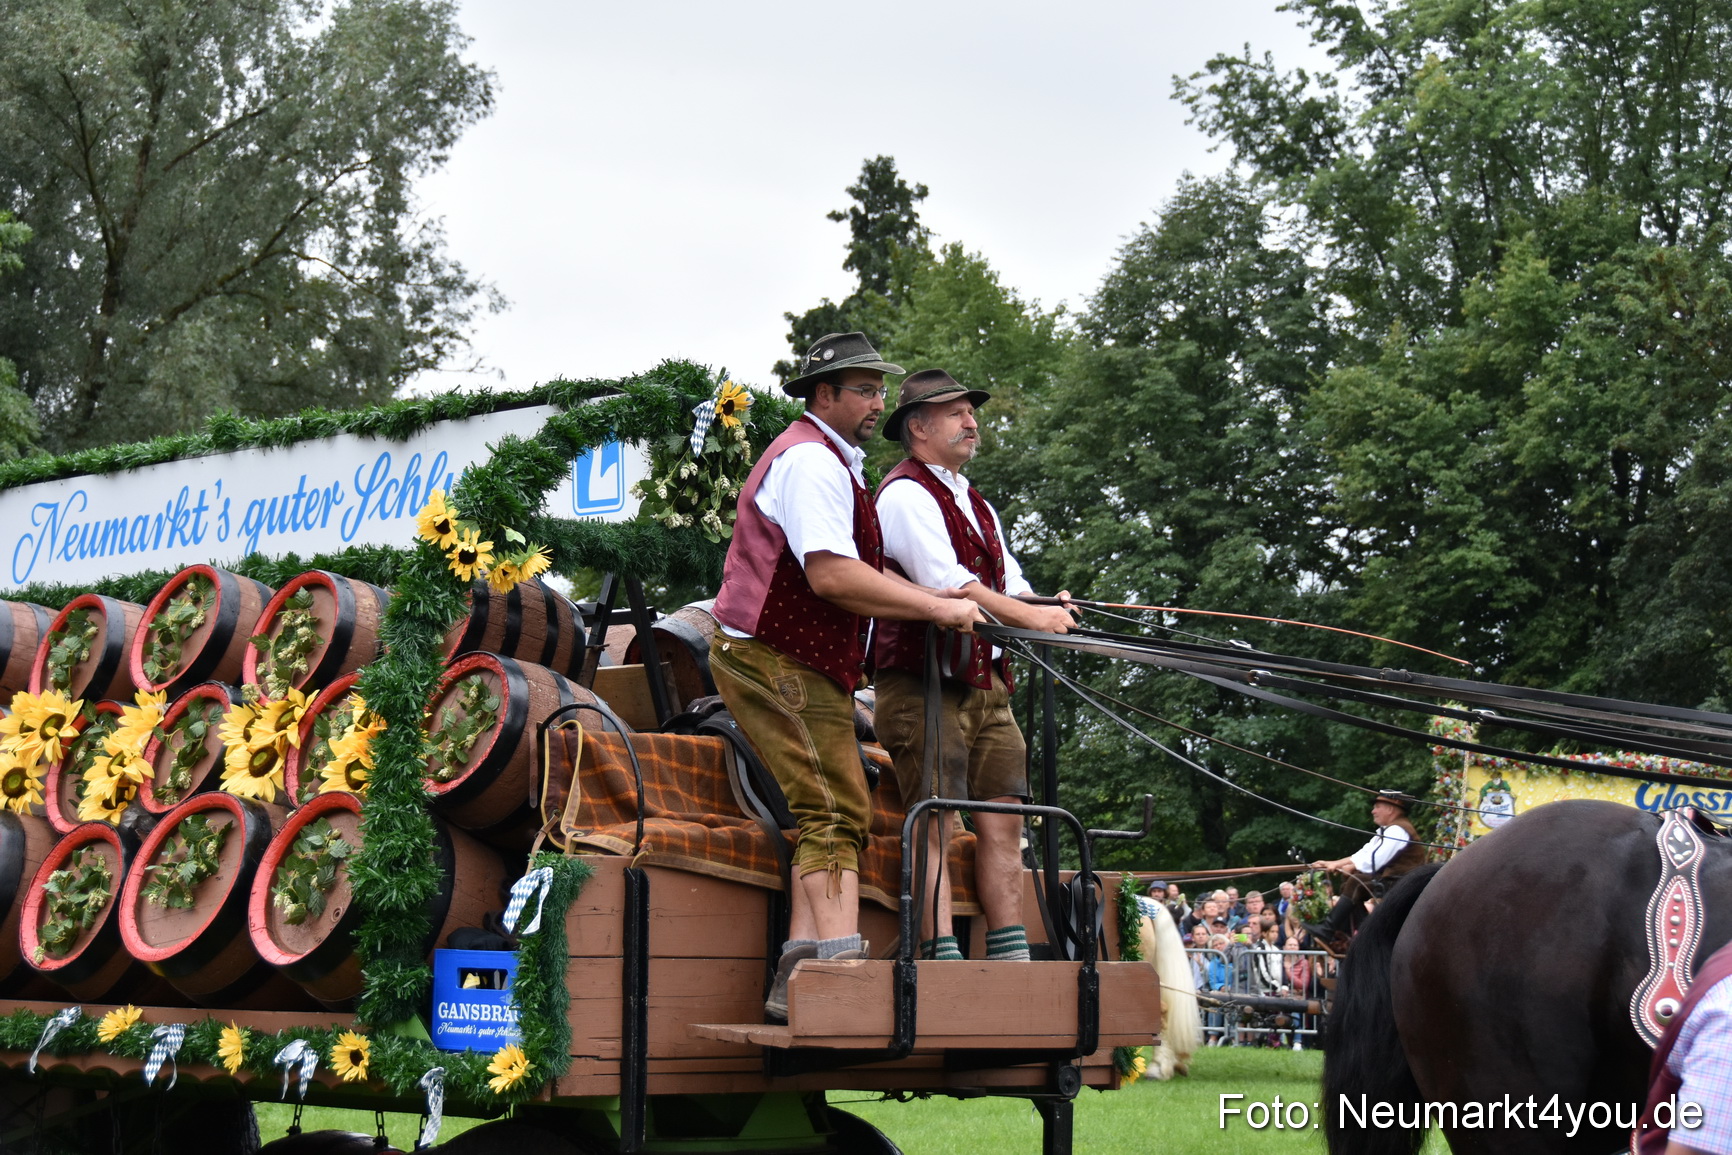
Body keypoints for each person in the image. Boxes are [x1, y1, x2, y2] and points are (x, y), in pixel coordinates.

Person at [709, 332, 984, 1023]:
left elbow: (855, 566)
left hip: (800, 657)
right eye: (863, 388)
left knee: (828, 809)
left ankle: (796, 976)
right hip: (772, 652)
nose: (877, 401)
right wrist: (935, 605)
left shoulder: (834, 461)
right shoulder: (809, 460)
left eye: (878, 388)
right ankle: (837, 973)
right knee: (835, 808)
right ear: (821, 394)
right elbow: (831, 574)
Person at [870, 368, 1077, 962]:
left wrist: (1046, 605)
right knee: (935, 820)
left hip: (986, 682)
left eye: (970, 411)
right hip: (922, 683)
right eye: (956, 413)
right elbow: (951, 587)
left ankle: (1008, 952)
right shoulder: (904, 493)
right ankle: (937, 952)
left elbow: (1008, 581)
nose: (971, 421)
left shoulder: (976, 502)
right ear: (918, 427)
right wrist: (1028, 618)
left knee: (1004, 819)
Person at [1304, 789, 1426, 952]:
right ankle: (1365, 931)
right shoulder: (1388, 830)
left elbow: (1375, 860)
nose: (1373, 811)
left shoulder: (1398, 830)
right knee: (1351, 878)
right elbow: (1364, 853)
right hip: (1393, 880)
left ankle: (1328, 928)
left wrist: (1347, 866)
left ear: (1390, 809)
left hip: (1403, 883)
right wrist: (1334, 863)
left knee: (1356, 881)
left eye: (1377, 807)